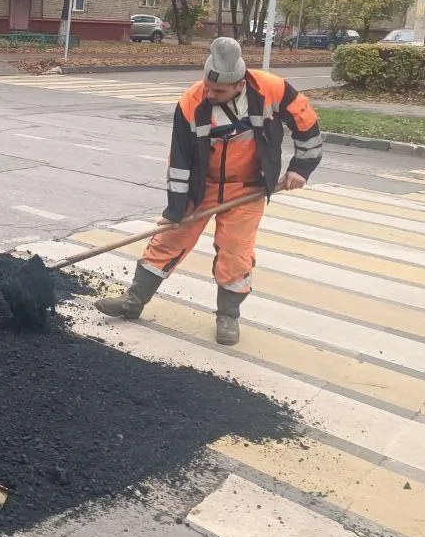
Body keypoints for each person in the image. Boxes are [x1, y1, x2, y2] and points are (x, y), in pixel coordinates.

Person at [94, 37, 322, 346]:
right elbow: (179, 161)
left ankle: (228, 317)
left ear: (239, 84)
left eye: (219, 91)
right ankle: (133, 302)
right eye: (208, 87)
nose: (210, 94)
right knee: (167, 241)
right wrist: (176, 210)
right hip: (203, 187)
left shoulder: (272, 89)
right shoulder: (191, 102)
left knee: (235, 252)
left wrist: (300, 168)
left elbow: (307, 124)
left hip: (248, 188)